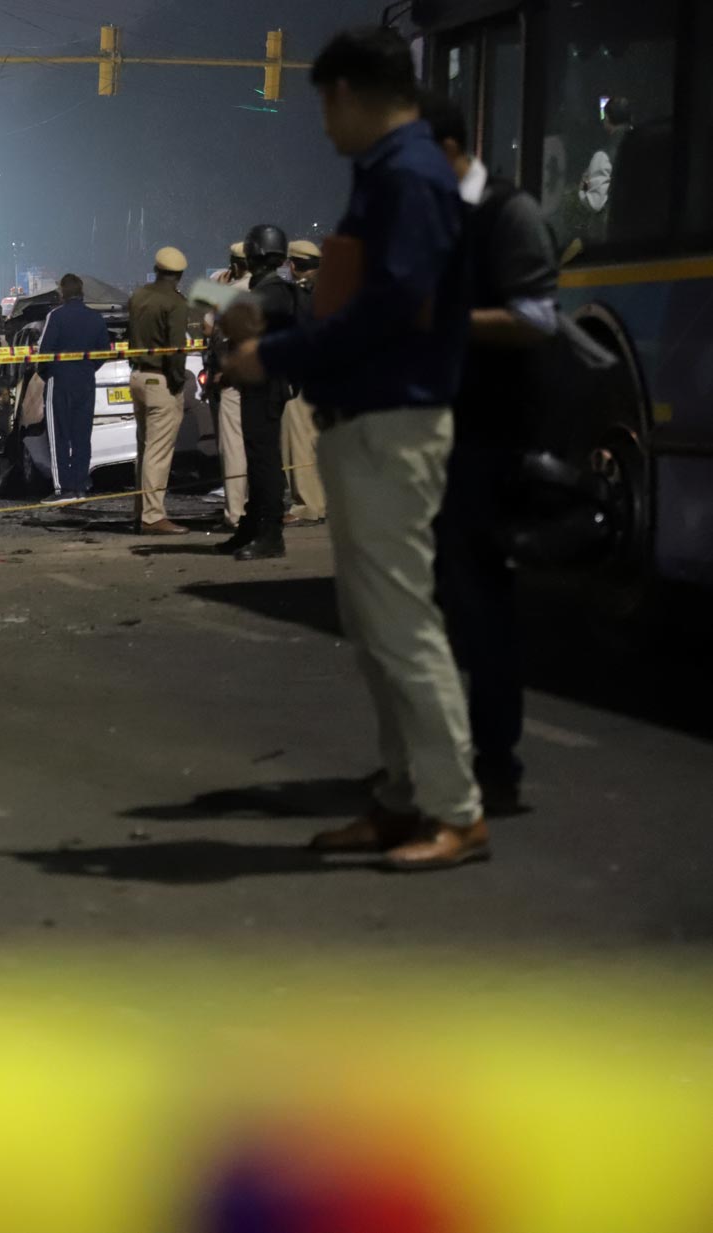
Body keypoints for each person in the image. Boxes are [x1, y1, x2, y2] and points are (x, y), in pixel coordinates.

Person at [223, 26, 483, 870]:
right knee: (375, 626)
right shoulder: (394, 173)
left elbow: (393, 304)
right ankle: (403, 798)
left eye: (323, 108)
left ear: (345, 92)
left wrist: (278, 353)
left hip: (392, 421)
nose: (325, 129)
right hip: (369, 419)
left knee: (402, 625)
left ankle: (454, 809)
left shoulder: (407, 175)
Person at [423, 89, 561, 817]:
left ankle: (495, 763)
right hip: (432, 438)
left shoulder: (510, 213)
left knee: (482, 605)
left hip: (489, 438)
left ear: (448, 151)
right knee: (439, 603)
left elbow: (539, 318)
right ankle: (450, 759)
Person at [218, 224, 304, 560]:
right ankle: (253, 526)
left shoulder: (270, 292)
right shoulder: (274, 289)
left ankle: (270, 534)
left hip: (266, 385)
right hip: (263, 382)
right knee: (258, 460)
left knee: (265, 461)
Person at [125, 247, 192, 534]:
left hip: (137, 376)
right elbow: (176, 349)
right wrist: (177, 380)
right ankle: (153, 516)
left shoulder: (138, 295)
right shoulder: (174, 302)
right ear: (179, 275)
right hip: (160, 380)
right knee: (158, 453)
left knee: (144, 449)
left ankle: (141, 513)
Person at [35, 273, 111, 501]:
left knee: (59, 436)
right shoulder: (95, 318)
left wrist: (46, 373)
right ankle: (79, 486)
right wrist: (88, 369)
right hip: (86, 381)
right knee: (81, 436)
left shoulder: (56, 316)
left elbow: (45, 352)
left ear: (62, 292)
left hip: (60, 380)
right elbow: (103, 351)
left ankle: (62, 489)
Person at [282, 239, 328, 525]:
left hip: (301, 379)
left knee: (297, 443)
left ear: (293, 265)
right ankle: (321, 503)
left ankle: (306, 506)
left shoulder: (298, 294)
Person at [207, 241, 251, 531]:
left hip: (234, 378)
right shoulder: (270, 289)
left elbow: (208, 326)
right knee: (258, 447)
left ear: (234, 265)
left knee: (233, 447)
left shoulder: (229, 293)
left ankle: (235, 513)